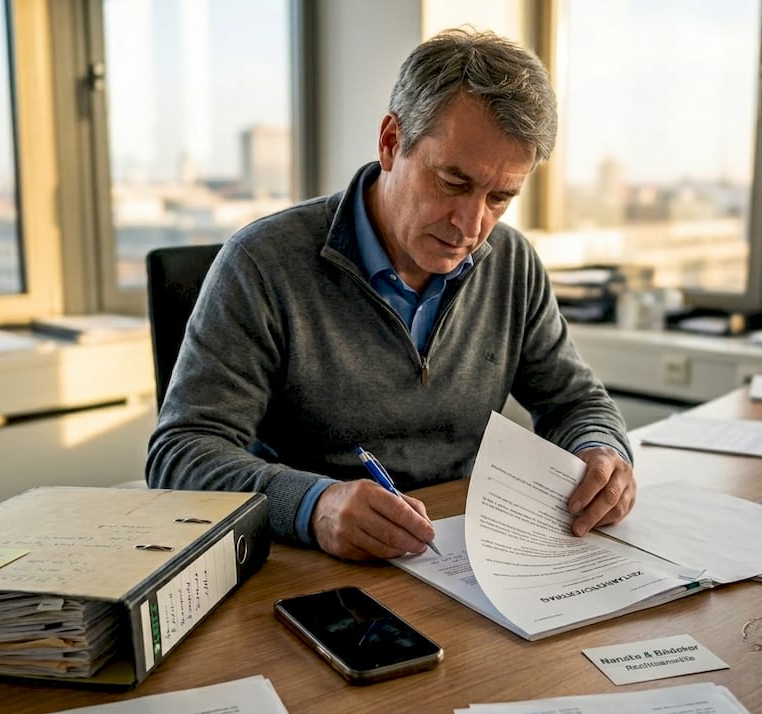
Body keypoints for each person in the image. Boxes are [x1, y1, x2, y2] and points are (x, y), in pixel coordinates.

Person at [147, 29, 635, 561]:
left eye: (499, 197)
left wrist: (602, 450)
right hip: (307, 567)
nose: (471, 225)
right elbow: (181, 452)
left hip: (461, 557)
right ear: (390, 141)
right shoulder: (261, 262)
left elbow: (576, 402)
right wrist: (315, 505)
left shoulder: (512, 264)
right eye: (452, 181)